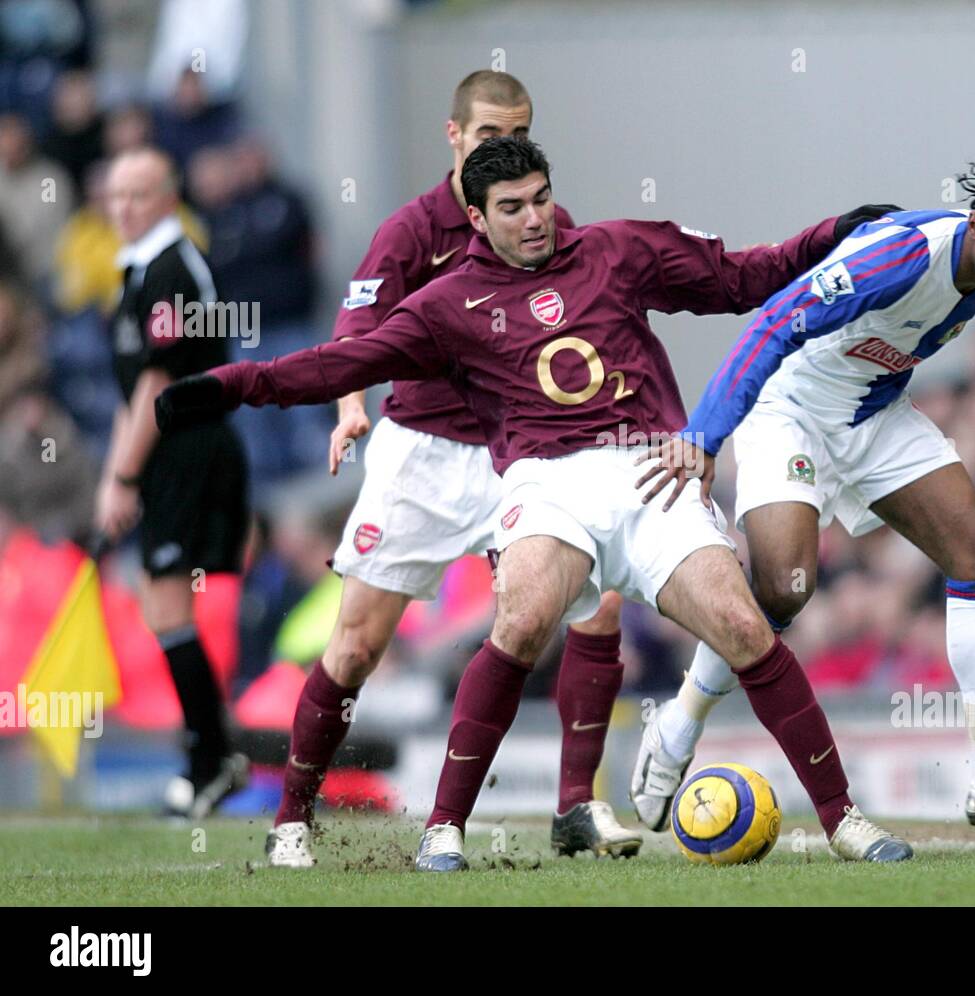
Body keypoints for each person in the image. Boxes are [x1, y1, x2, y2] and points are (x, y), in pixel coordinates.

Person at [157, 135, 912, 868]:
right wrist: (225, 387)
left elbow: (747, 277)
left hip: (649, 467)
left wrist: (832, 233)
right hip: (547, 481)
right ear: (477, 219)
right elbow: (335, 364)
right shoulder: (446, 304)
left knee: (746, 627)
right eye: (512, 206)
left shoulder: (620, 248)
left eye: (542, 199)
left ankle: (843, 820)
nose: (535, 217)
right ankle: (444, 830)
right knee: (518, 621)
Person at [631, 157, 975, 834]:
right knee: (784, 589)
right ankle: (680, 720)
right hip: (790, 412)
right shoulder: (902, 257)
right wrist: (704, 436)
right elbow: (772, 324)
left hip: (871, 415)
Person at [262, 72, 637, 869]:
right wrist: (349, 407)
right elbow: (356, 331)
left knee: (595, 608)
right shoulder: (410, 231)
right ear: (453, 135)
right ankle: (292, 815)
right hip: (424, 455)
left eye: (522, 131)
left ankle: (575, 805)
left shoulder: (547, 226)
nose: (506, 147)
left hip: (522, 453)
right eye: (490, 132)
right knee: (358, 644)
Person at [96, 146, 250, 818]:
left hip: (187, 447)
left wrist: (123, 477)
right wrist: (116, 474)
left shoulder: (172, 269)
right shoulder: (136, 272)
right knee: (162, 608)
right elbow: (132, 392)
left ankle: (209, 761)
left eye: (137, 194)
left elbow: (159, 382)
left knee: (168, 604)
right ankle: (213, 759)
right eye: (114, 195)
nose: (123, 207)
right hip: (158, 450)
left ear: (166, 196)